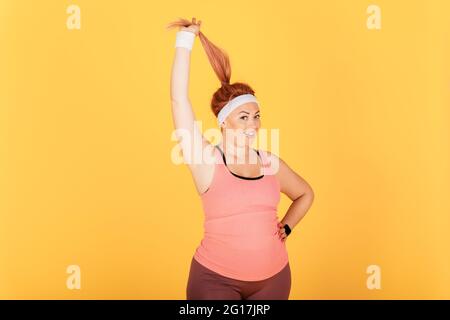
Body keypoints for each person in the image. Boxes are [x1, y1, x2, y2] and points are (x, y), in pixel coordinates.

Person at [167, 17, 315, 300]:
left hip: (275, 279)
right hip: (215, 282)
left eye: (257, 116)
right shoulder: (205, 160)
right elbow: (178, 100)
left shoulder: (270, 162)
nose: (253, 125)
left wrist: (286, 226)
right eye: (243, 117)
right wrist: (185, 42)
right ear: (224, 123)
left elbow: (306, 194)